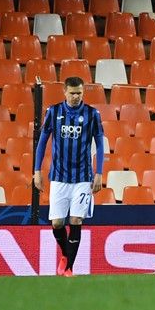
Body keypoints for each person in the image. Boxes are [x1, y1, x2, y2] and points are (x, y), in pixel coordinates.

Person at [34, 76, 105, 277]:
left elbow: (99, 144)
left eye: (79, 93)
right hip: (58, 177)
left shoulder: (92, 114)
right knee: (57, 223)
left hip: (83, 177)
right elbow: (42, 143)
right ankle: (66, 254)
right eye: (72, 93)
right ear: (65, 92)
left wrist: (99, 172)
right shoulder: (53, 112)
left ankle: (69, 268)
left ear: (83, 93)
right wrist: (37, 171)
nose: (75, 96)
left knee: (76, 220)